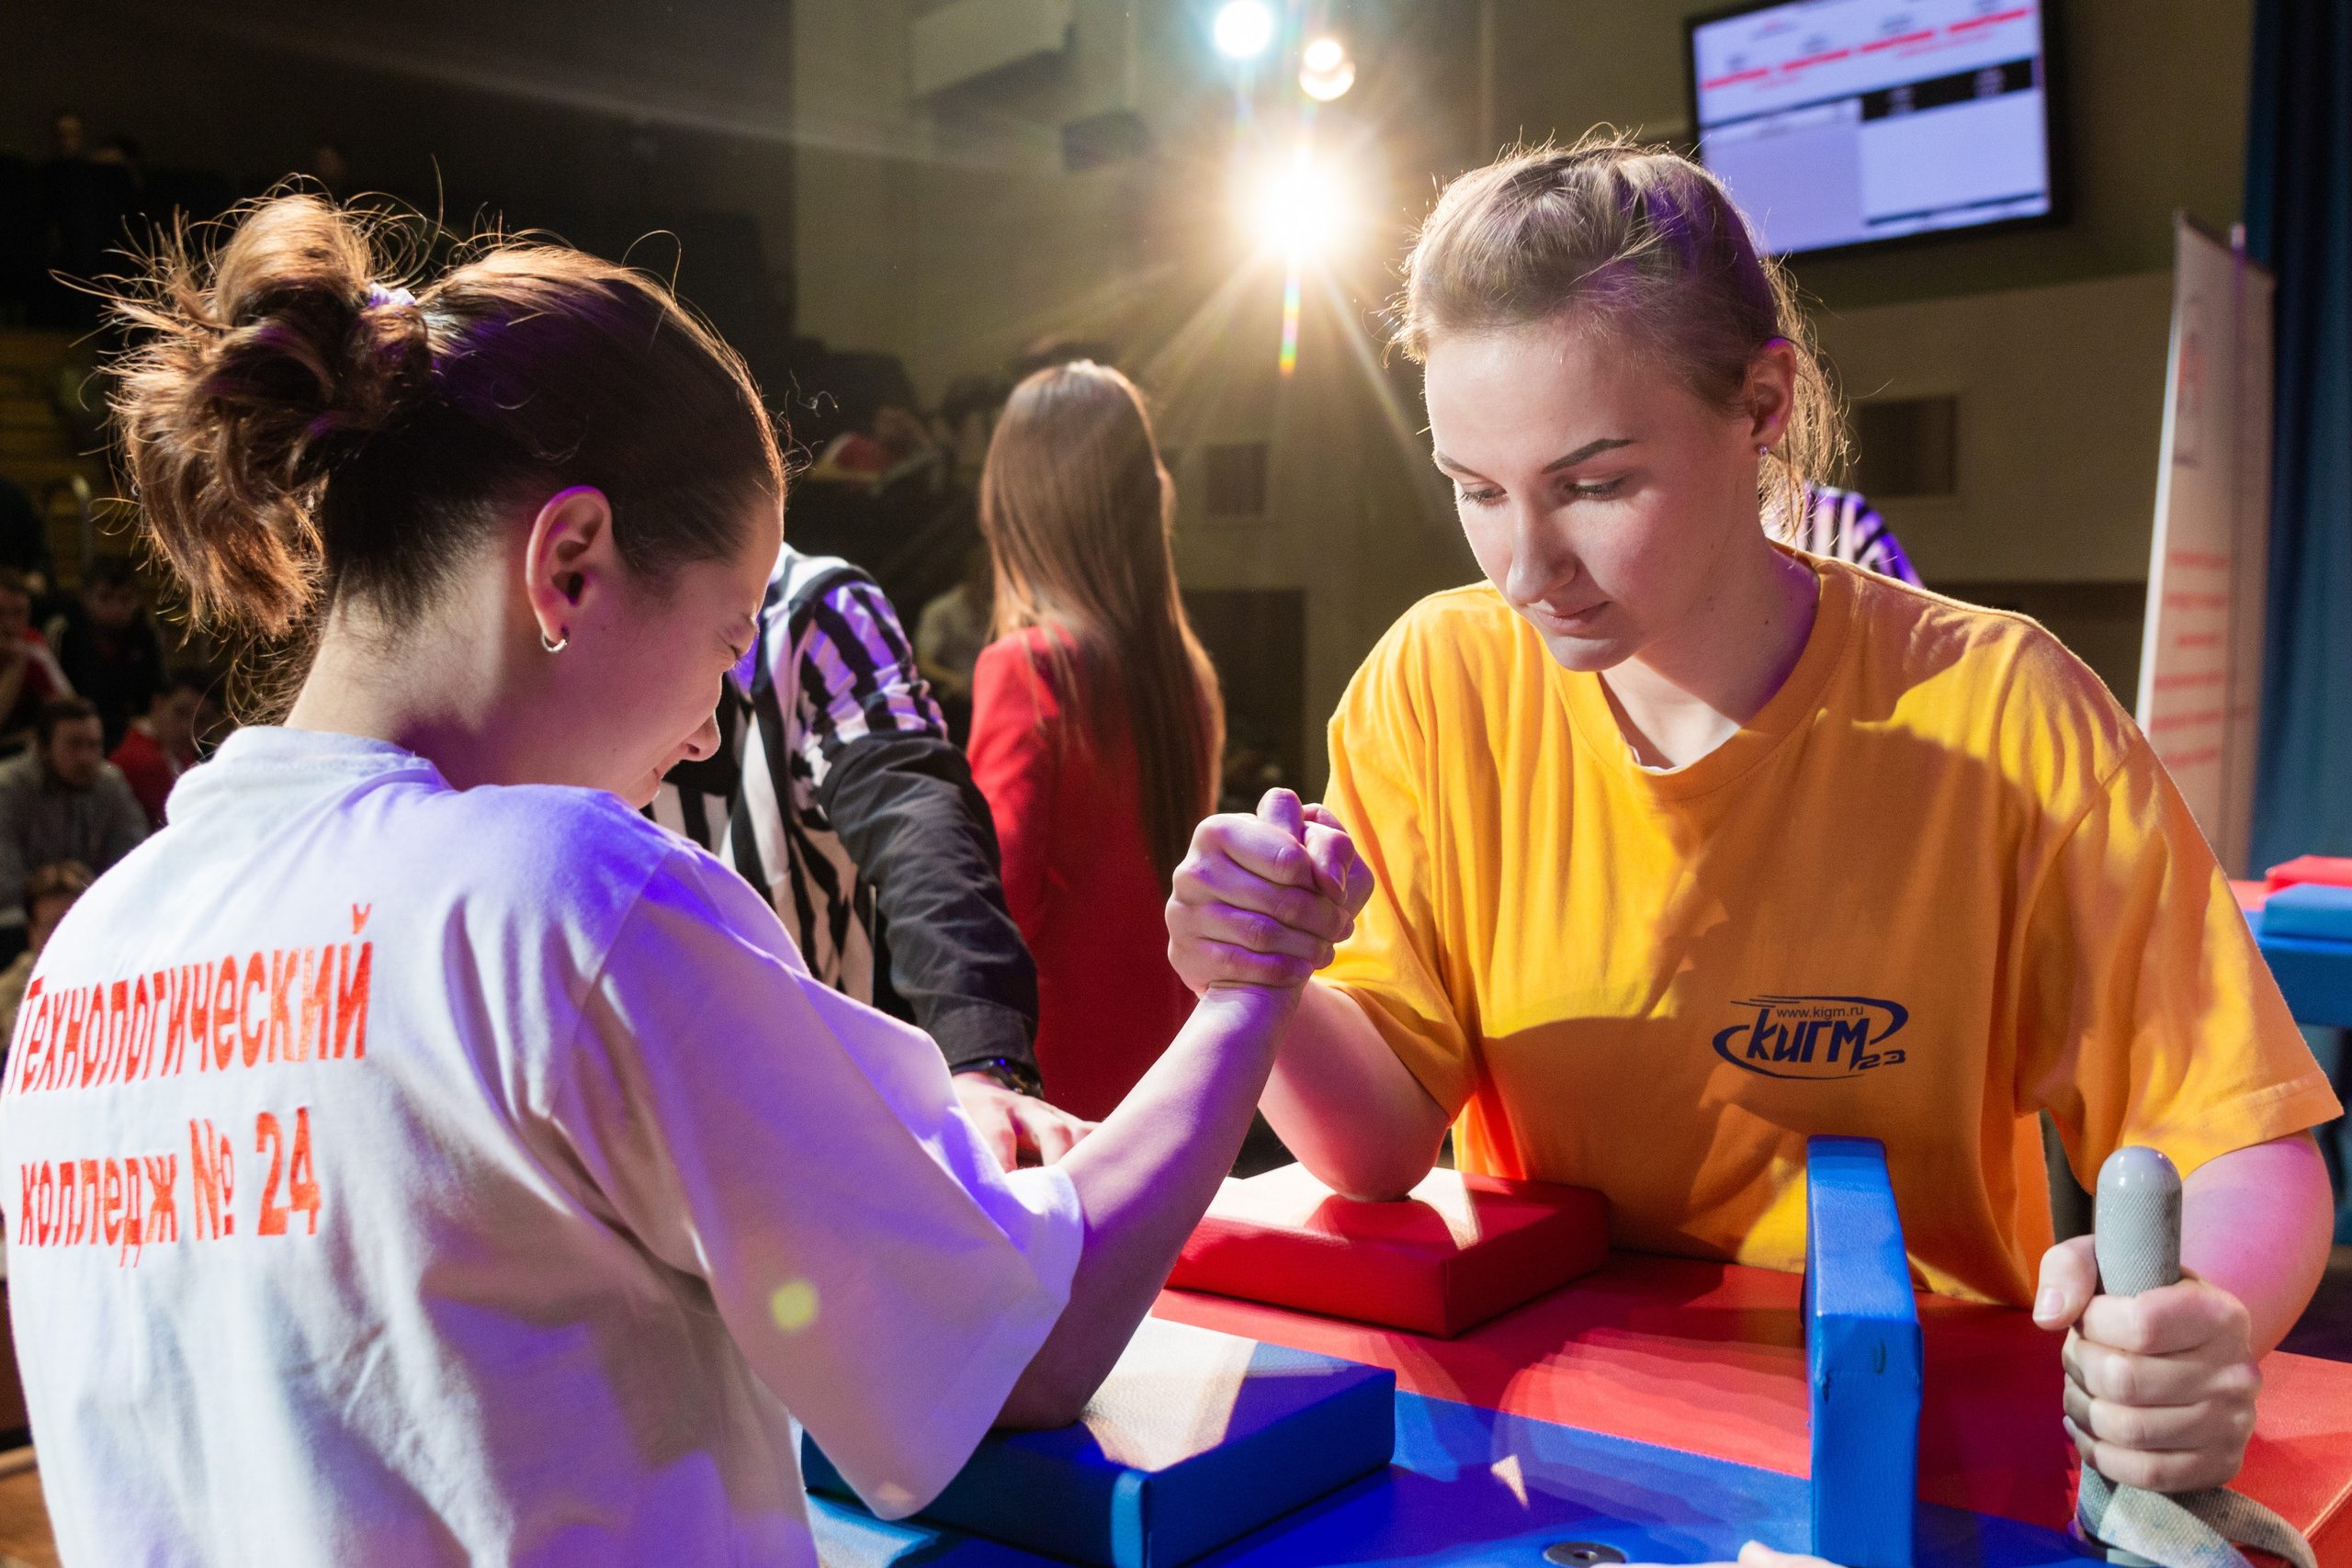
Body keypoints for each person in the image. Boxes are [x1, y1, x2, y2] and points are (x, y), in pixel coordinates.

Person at [0, 191, 1365, 1566]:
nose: (713, 728)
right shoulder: (558, 896)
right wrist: (1251, 994)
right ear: (572, 562)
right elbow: (1023, 1347)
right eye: (724, 643)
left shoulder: (84, 960)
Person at [1165, 138, 2338, 1500]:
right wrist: (1259, 980)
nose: (1527, 567)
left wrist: (2203, 1324)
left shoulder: (2004, 711)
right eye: (1476, 490)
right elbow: (1375, 1143)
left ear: (1763, 402)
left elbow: (2245, 1139)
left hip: (1915, 1453)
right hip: (1545, 1460)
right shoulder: (1437, 683)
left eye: (1595, 484)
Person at [705, 539, 1091, 1169]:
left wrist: (980, 1055)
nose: (703, 739)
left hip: (793, 1143)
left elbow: (917, 814)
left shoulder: (807, 612)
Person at [968, 363, 1225, 1122]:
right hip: (1168, 1093)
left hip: (1051, 1107)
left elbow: (990, 911)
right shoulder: (1188, 678)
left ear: (1020, 511)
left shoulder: (1029, 668)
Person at [0, 694, 146, 961]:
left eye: (94, 745)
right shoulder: (7, 787)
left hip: (88, 912)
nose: (86, 757)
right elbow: (7, 887)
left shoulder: (108, 782)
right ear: (42, 747)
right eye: (74, 745)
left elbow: (134, 862)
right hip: (23, 921)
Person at [53, 552, 165, 751]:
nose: (115, 608)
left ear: (138, 600)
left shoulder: (146, 635)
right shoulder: (64, 633)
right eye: (105, 597)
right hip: (77, 736)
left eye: (125, 599)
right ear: (85, 597)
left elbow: (155, 696)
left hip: (131, 736)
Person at [0, 859, 90, 1057]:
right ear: (31, 932)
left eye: (70, 922)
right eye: (51, 926)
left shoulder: (124, 978)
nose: (62, 935)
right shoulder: (6, 995)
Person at [110, 666, 210, 828]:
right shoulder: (139, 759)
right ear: (157, 704)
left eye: (201, 720)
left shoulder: (182, 756)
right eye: (180, 712)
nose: (187, 728)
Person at [915, 539, 994, 741]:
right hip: (960, 702)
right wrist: (952, 679)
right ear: (979, 574)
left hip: (993, 694)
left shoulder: (999, 608)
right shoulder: (941, 610)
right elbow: (924, 663)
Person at [0, 566, 73, 754]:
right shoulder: (22, 651)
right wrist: (16, 666)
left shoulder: (32, 645)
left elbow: (71, 713)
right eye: (0, 613)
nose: (9, 625)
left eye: (18, 613)